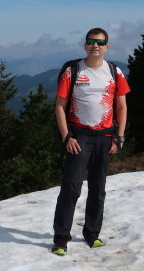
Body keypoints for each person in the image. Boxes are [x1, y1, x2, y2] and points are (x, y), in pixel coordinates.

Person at [52, 28, 130, 256]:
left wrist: (120, 136)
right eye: (90, 41)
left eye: (99, 42)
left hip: (105, 138)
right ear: (85, 45)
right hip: (79, 137)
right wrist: (67, 136)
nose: (95, 45)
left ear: (107, 46)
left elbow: (122, 106)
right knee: (71, 188)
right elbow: (59, 106)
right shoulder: (72, 71)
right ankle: (61, 238)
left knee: (98, 189)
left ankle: (92, 234)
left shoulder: (115, 72)